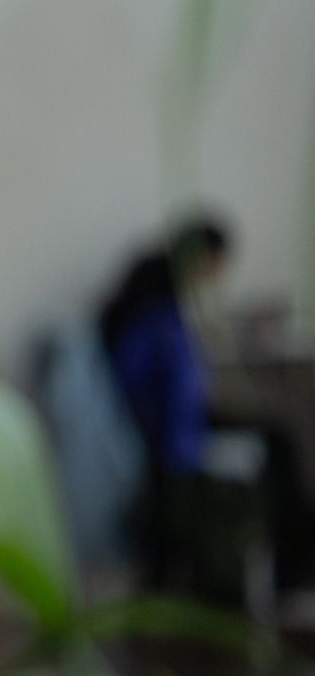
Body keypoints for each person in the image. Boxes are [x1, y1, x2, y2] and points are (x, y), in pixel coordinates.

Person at [97, 215, 232, 588]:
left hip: (161, 428)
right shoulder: (160, 310)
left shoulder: (154, 296)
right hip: (165, 434)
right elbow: (176, 386)